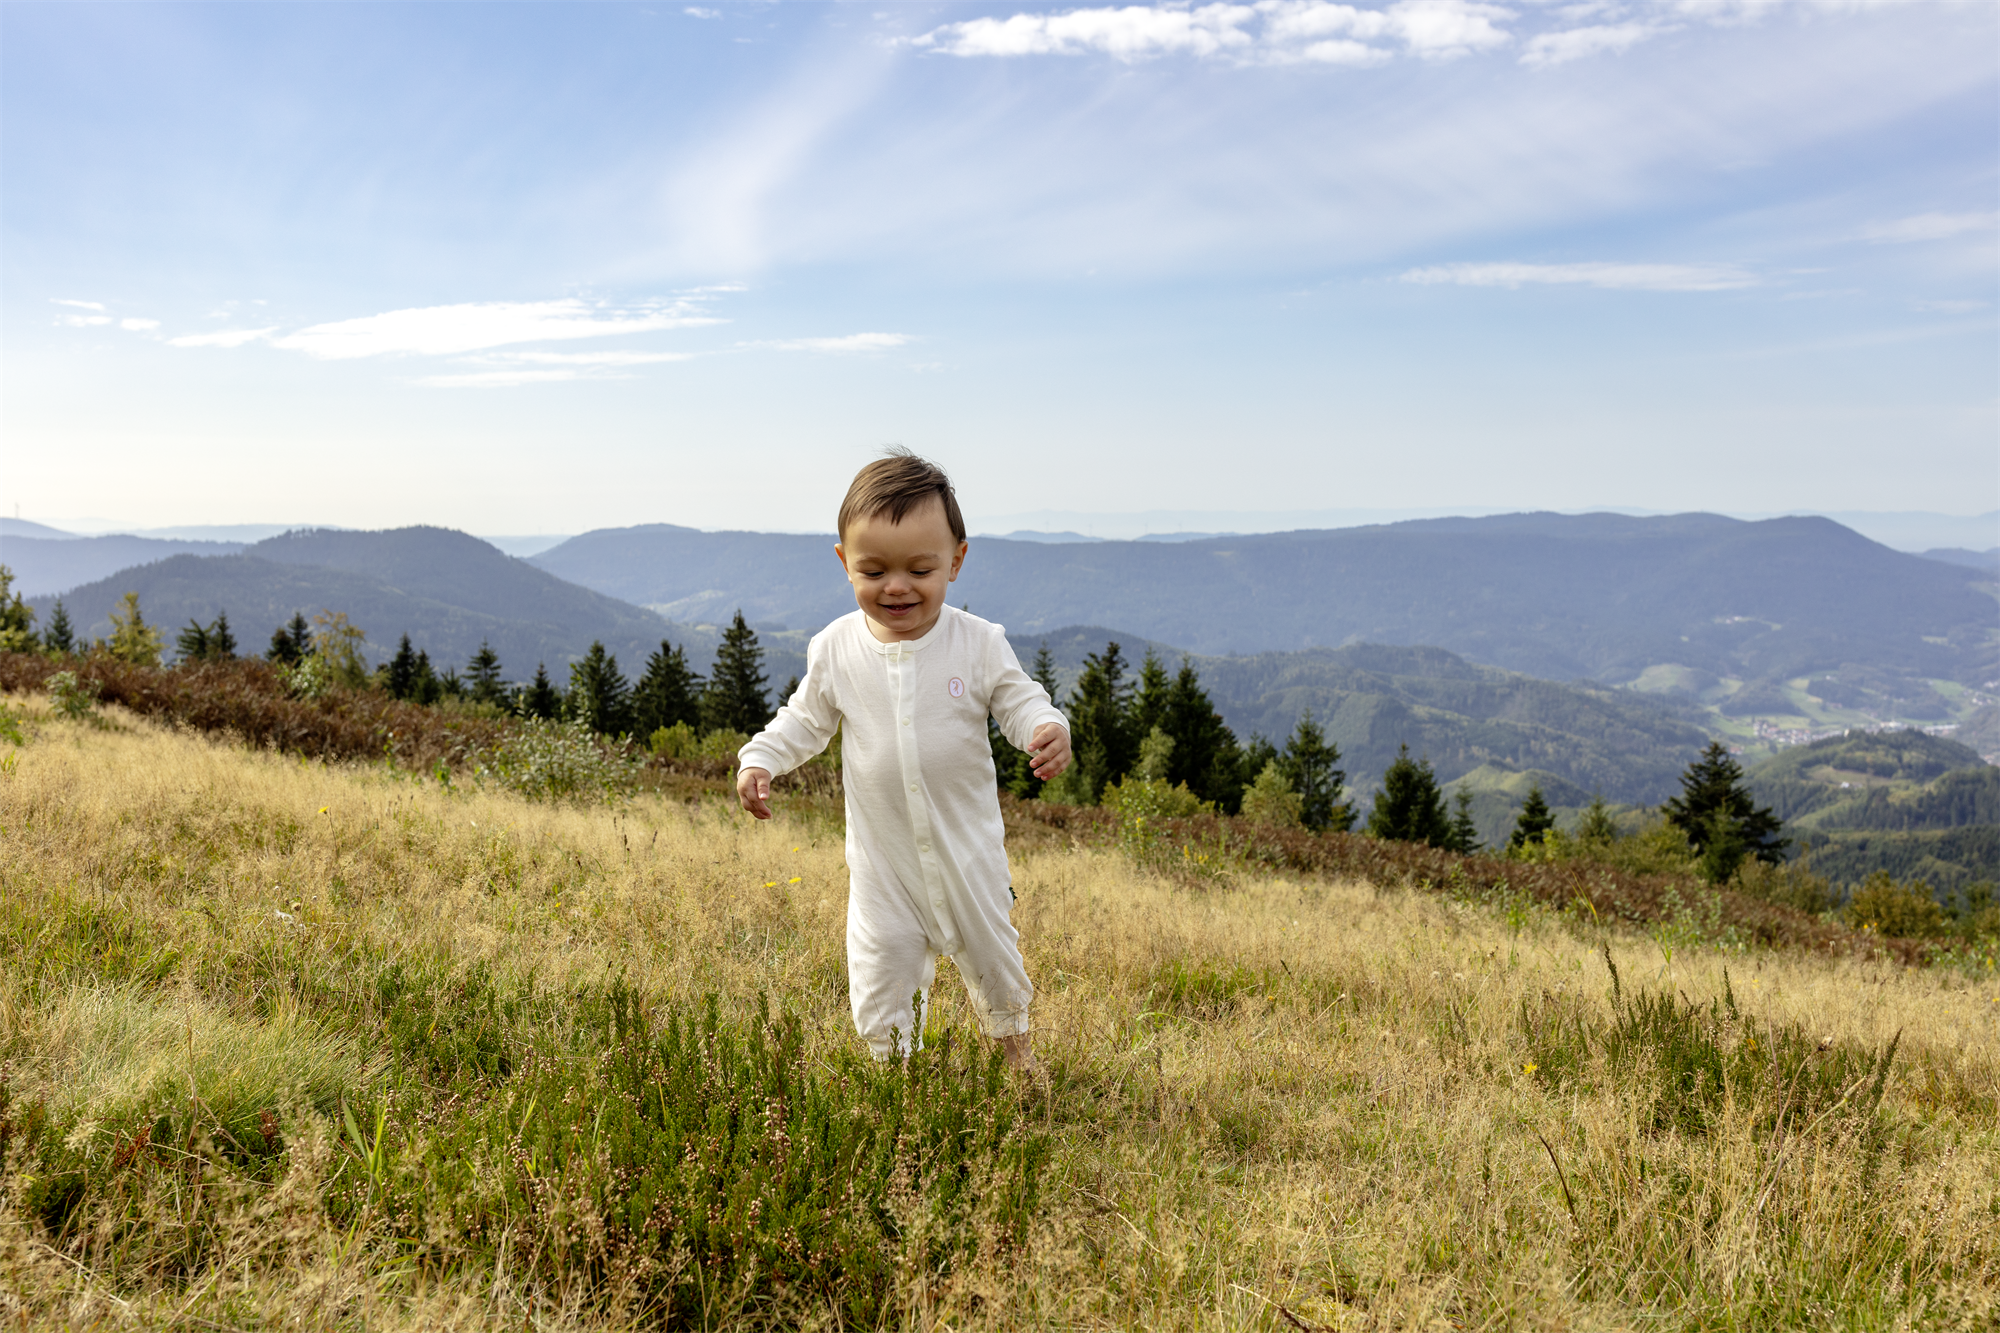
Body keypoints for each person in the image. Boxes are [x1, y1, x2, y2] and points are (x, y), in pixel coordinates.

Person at [736, 449, 1071, 1070]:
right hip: (881, 860)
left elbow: (1019, 698)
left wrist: (1046, 727)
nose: (896, 587)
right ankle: (895, 1074)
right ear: (844, 563)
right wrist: (761, 759)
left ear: (956, 561)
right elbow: (805, 720)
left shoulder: (978, 643)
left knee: (992, 953)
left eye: (920, 568)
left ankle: (1014, 1049)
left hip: (966, 852)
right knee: (880, 965)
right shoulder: (835, 648)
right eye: (873, 570)